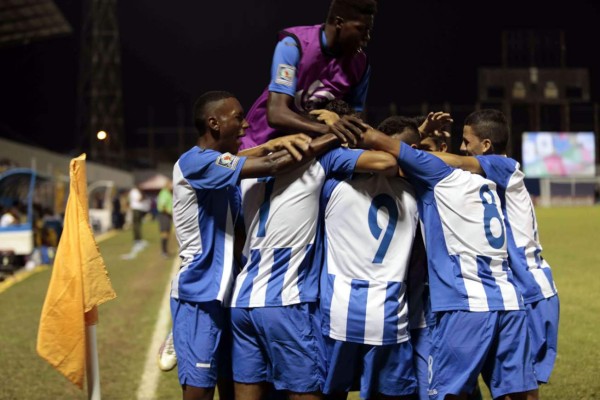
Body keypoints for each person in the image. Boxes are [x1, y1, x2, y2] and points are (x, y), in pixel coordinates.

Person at [170, 90, 341, 400]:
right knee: (199, 391)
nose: (246, 125)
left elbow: (244, 159)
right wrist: (333, 134)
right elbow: (272, 165)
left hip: (230, 294)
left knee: (231, 389)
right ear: (214, 123)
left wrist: (269, 144)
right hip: (200, 295)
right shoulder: (194, 162)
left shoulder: (223, 168)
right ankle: (180, 331)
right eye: (238, 118)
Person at [356, 123, 537, 400]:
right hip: (510, 301)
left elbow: (382, 144)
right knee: (517, 393)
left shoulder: (434, 175)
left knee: (449, 392)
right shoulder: (482, 177)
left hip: (466, 303)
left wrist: (338, 125)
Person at [229, 114, 397, 399]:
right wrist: (346, 131)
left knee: (248, 391)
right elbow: (387, 162)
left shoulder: (247, 168)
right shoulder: (321, 160)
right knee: (307, 392)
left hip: (243, 300)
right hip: (285, 300)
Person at [430, 109, 559, 399]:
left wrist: (410, 154)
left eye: (466, 141)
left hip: (531, 290)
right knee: (509, 383)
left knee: (522, 389)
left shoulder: (502, 165)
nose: (462, 147)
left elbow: (454, 162)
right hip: (513, 288)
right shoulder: (490, 177)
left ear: (486, 146)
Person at [317, 117, 421, 399]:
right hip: (390, 316)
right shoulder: (418, 196)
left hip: (338, 314)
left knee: (330, 391)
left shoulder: (333, 188)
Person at [240, 0, 377, 150]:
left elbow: (354, 119)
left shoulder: (360, 64)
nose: (367, 38)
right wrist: (328, 130)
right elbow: (276, 114)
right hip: (261, 143)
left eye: (369, 31)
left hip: (309, 149)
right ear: (339, 23)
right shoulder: (292, 45)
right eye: (361, 29)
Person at [128, 184, 150, 249]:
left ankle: (137, 239)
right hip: (136, 209)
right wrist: (143, 196)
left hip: (137, 209)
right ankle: (138, 239)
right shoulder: (134, 191)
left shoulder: (134, 191)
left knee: (137, 225)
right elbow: (139, 199)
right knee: (137, 225)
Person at [156, 180, 174, 258]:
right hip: (164, 215)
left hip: (167, 215)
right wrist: (169, 212)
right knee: (165, 233)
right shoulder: (164, 193)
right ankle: (164, 251)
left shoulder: (168, 193)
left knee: (167, 233)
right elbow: (162, 206)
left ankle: (165, 250)